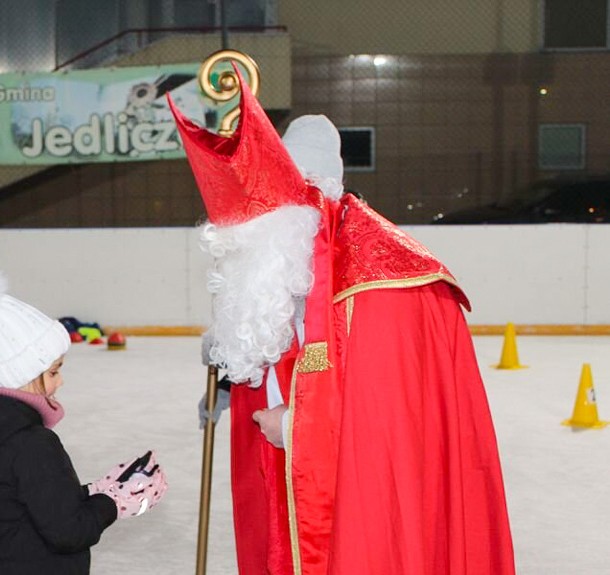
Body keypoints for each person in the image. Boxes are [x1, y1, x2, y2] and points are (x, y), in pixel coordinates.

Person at [170, 72, 515, 574]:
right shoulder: (297, 253)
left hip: (359, 506)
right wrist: (232, 373)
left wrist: (293, 426)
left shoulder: (381, 279)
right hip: (288, 481)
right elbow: (282, 334)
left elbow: (390, 423)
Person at [0, 263, 166, 574]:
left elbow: (24, 504)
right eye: (54, 371)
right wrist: (114, 503)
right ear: (21, 373)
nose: (60, 382)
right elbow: (70, 532)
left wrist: (96, 490)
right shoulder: (31, 444)